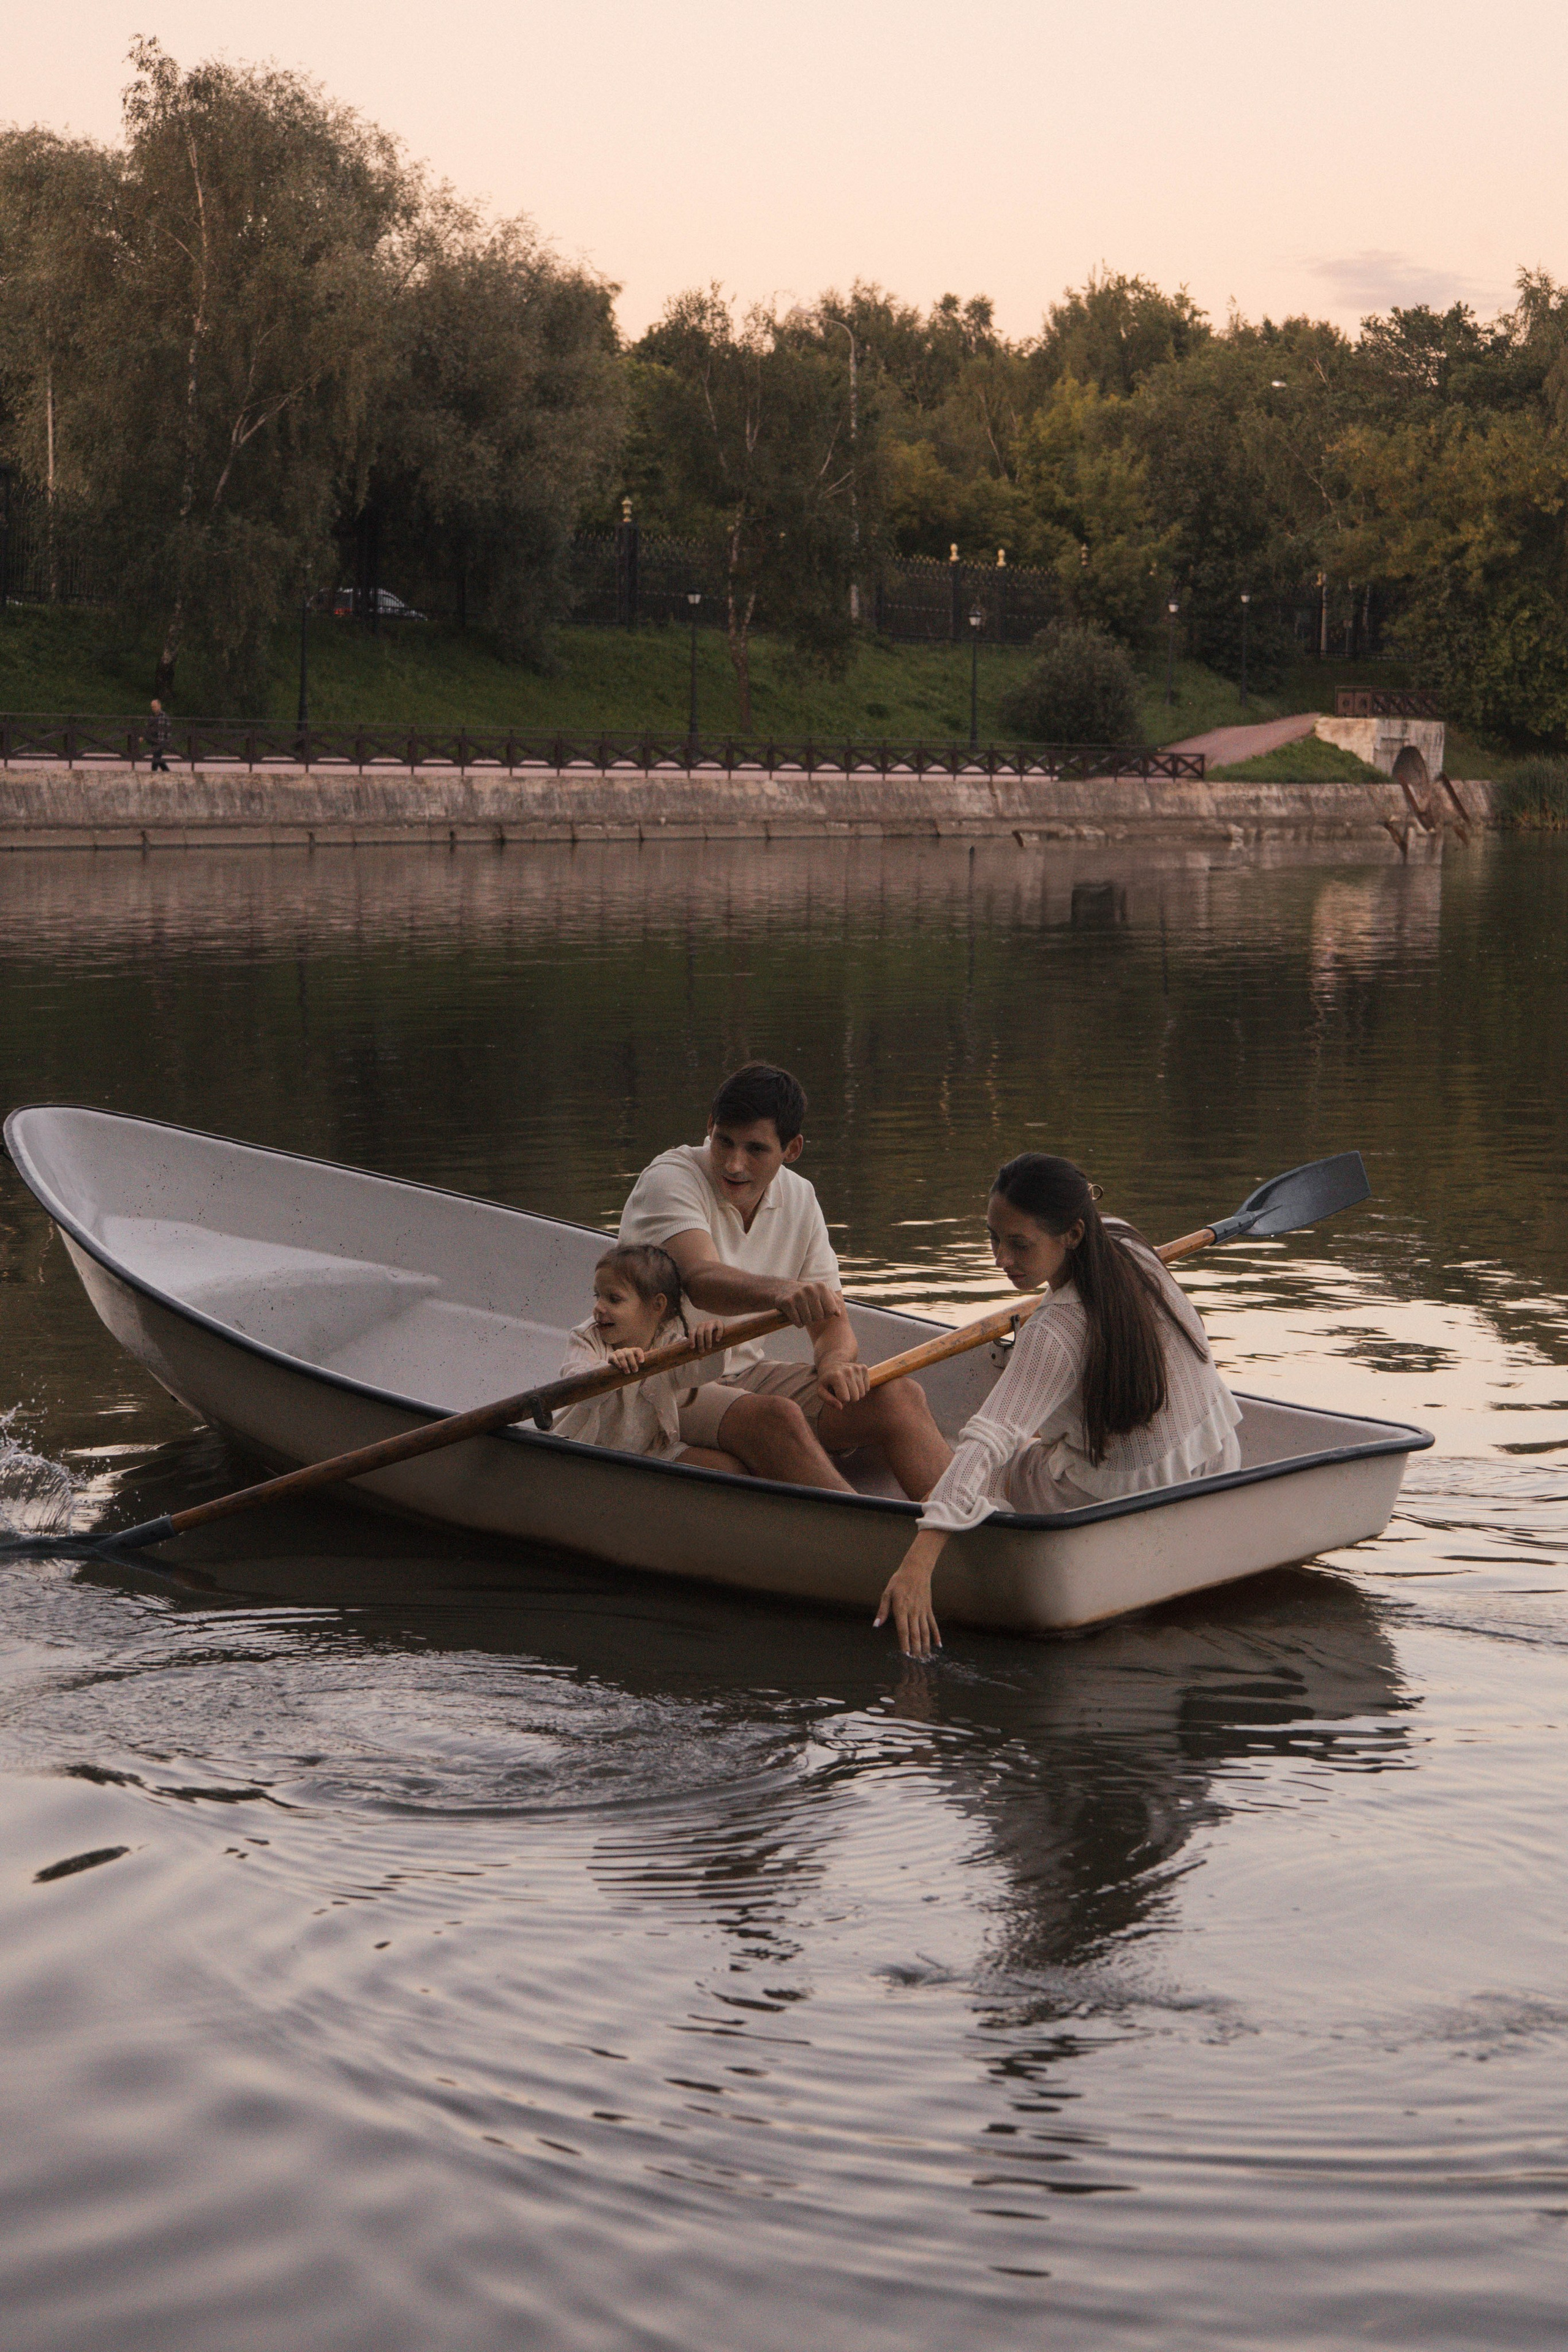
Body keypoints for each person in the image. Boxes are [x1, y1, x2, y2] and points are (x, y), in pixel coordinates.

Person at [875, 1153, 1243, 1657]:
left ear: (1072, 1234)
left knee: (983, 1457)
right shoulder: (1128, 1244)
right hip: (1218, 1464)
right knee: (1028, 1438)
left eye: (1019, 1244)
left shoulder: (1053, 1332)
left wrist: (920, 1561)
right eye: (993, 1238)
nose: (1000, 1259)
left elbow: (987, 1441)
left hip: (1116, 1505)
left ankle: (944, 1523)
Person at [619, 1063, 952, 1498]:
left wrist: (834, 1362)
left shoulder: (800, 1196)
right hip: (660, 1380)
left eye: (755, 1149)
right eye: (724, 1141)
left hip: (746, 1373)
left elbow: (831, 1321)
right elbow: (700, 1280)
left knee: (899, 1397)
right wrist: (782, 1292)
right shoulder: (670, 1178)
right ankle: (869, 1534)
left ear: (792, 1149)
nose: (734, 1163)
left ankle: (967, 1525)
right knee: (777, 1419)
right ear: (710, 1127)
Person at [552, 1243, 742, 1472]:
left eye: (614, 1299)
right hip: (581, 1449)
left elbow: (703, 1371)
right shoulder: (587, 1338)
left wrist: (713, 1343)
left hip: (651, 1451)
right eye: (597, 1296)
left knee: (729, 1469)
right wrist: (610, 1371)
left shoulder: (669, 1347)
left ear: (657, 1305)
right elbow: (576, 1388)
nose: (598, 1308)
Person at [147, 698, 172, 774]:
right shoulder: (151, 716)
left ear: (159, 706)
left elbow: (169, 730)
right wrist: (143, 736)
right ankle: (167, 772)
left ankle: (153, 773)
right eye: (152, 707)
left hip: (161, 741)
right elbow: (148, 728)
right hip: (153, 741)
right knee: (158, 758)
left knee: (156, 758)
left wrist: (168, 741)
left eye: (155, 707)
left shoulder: (165, 716)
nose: (153, 708)